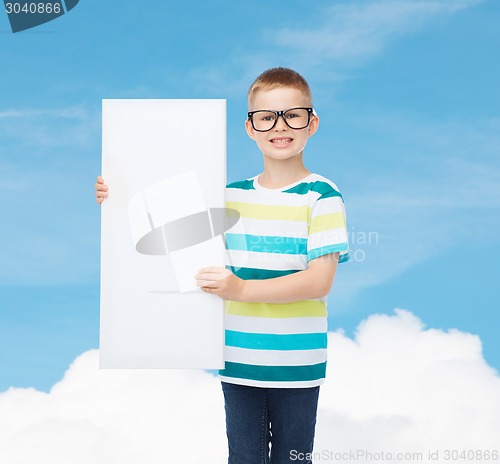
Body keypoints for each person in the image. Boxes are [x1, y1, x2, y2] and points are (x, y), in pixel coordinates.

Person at [95, 67, 349, 464]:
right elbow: (163, 220)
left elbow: (319, 281)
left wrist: (243, 290)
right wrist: (117, 194)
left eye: (292, 115)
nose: (279, 127)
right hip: (237, 361)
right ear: (250, 127)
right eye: (266, 117)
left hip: (297, 364)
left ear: (311, 123)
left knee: (294, 459)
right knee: (243, 459)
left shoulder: (322, 196)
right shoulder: (227, 195)